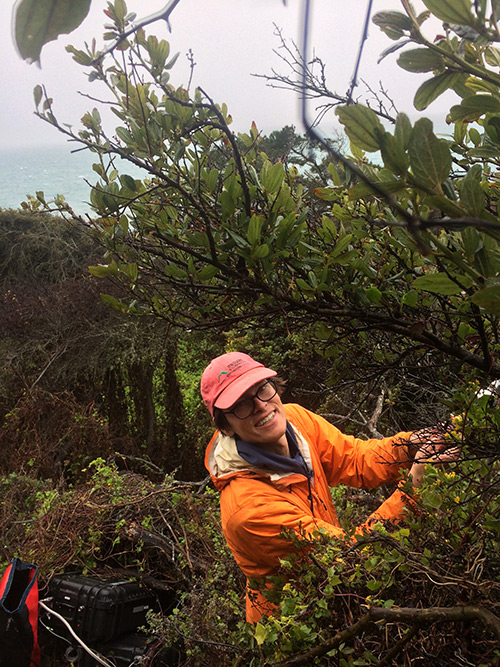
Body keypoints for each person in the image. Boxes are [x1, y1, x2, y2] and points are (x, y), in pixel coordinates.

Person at [201, 351, 459, 623]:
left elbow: (357, 459)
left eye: (261, 388)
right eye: (241, 404)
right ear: (225, 425)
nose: (261, 406)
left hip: (332, 593)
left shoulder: (296, 421)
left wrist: (412, 444)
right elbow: (348, 558)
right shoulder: (250, 513)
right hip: (296, 625)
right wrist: (418, 487)